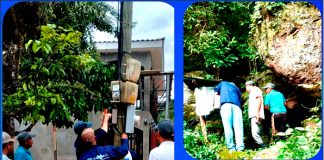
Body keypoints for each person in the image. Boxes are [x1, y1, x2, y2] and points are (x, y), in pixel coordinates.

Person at [214, 81, 244, 151]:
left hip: (226, 105)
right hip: (237, 107)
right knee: (238, 128)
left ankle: (231, 148)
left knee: (228, 127)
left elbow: (215, 91)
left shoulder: (223, 83)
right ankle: (240, 148)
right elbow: (240, 99)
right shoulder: (237, 89)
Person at [245, 81, 265, 149]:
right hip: (255, 114)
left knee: (255, 134)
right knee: (256, 133)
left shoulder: (255, 89)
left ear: (249, 85)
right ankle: (260, 148)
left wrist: (257, 113)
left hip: (256, 115)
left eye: (246, 86)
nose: (246, 89)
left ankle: (263, 148)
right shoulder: (253, 91)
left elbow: (259, 100)